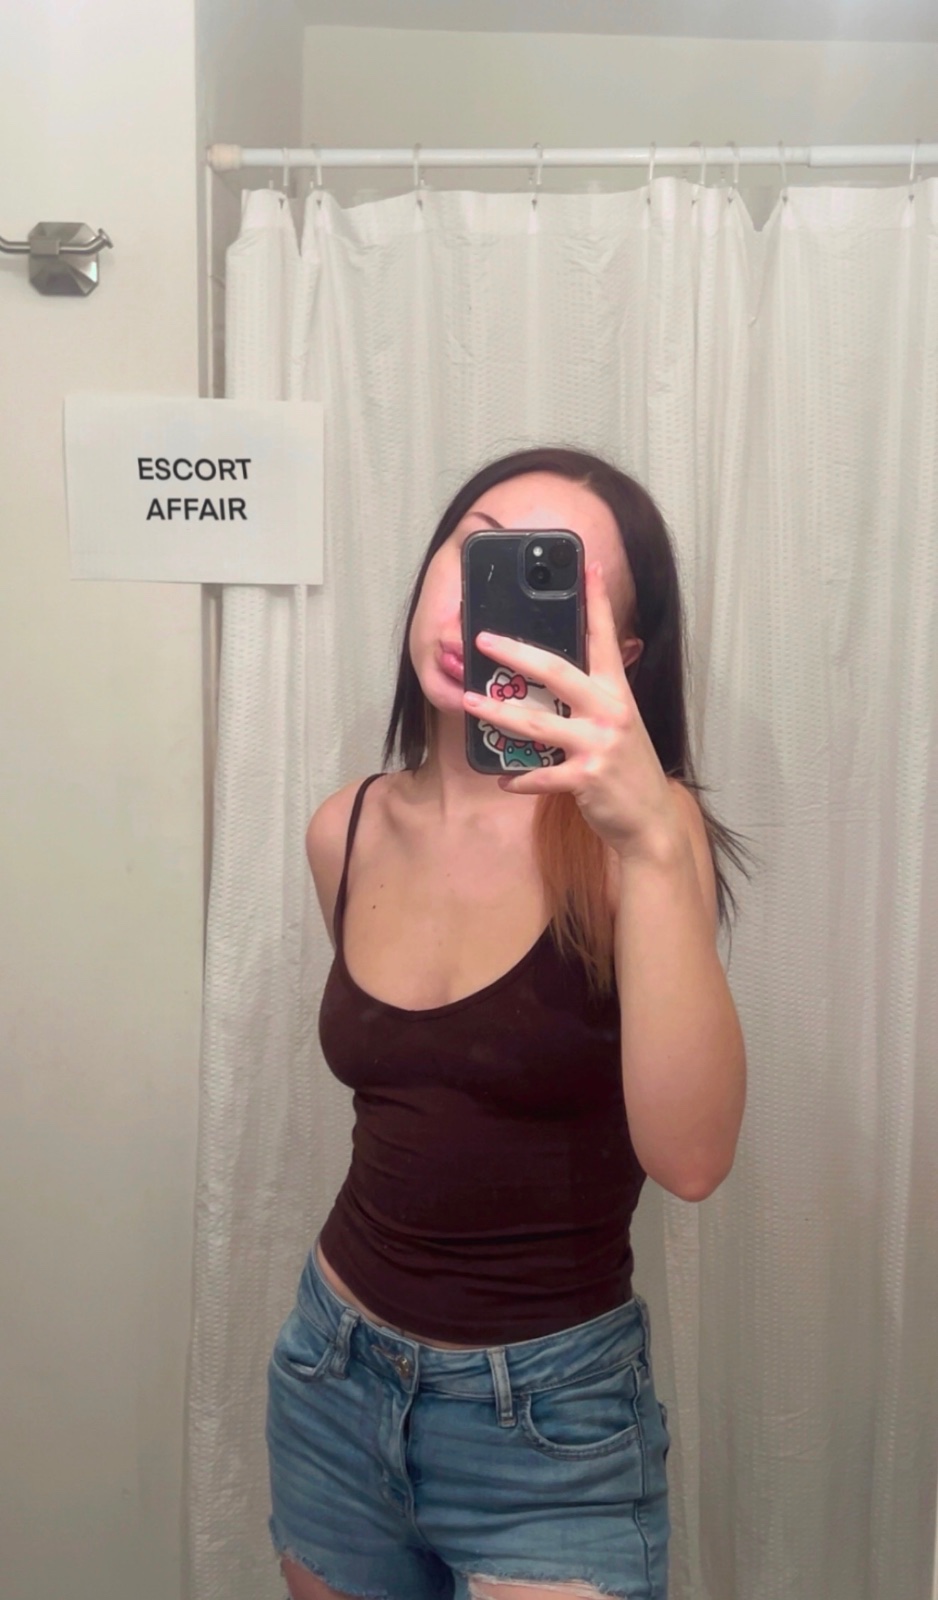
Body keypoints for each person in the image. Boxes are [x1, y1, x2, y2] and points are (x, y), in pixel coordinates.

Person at [266, 446, 749, 1600]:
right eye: (473, 548)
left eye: (549, 581)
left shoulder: (643, 838)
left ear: (618, 654)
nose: (475, 606)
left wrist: (647, 839)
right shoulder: (344, 828)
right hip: (332, 1370)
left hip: (549, 1421)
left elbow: (690, 1158)